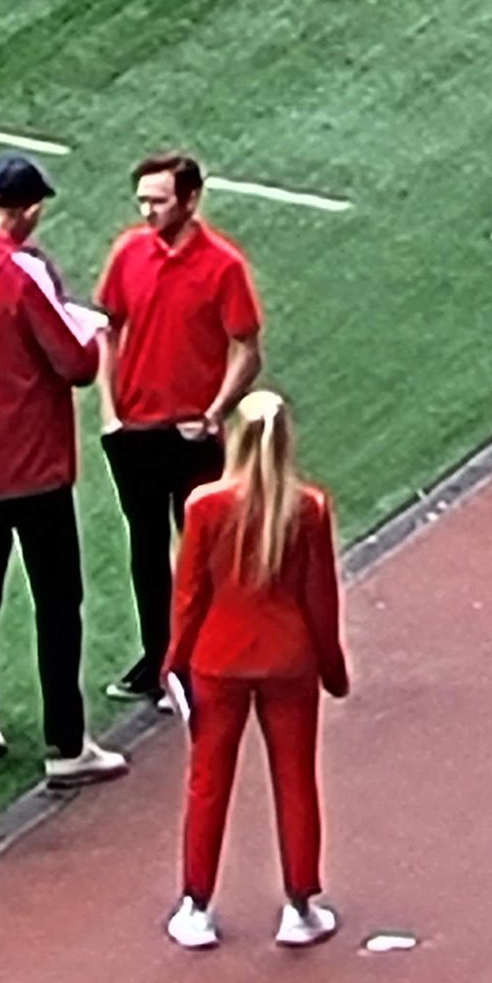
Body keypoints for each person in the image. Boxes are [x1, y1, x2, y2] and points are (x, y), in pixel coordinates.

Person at [0, 152, 126, 789]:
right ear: (30, 208)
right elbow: (75, 363)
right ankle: (68, 741)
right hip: (31, 464)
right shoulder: (23, 274)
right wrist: (89, 331)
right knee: (57, 601)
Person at [163, 391, 348, 952]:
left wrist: (174, 663)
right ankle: (300, 905)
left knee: (208, 781)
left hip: (218, 660)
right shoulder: (308, 507)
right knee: (295, 780)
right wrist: (332, 667)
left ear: (231, 440)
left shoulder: (204, 507)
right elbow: (321, 598)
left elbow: (190, 595)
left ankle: (196, 904)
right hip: (289, 660)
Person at [96, 153, 262, 704]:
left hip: (193, 432)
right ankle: (159, 658)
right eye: (142, 199)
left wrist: (215, 412)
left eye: (159, 200)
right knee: (145, 548)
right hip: (135, 430)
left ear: (190, 200)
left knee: (200, 551)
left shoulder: (223, 265)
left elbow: (246, 348)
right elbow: (109, 329)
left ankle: (205, 654)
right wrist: (109, 412)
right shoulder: (128, 254)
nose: (147, 210)